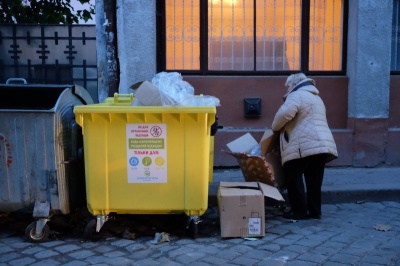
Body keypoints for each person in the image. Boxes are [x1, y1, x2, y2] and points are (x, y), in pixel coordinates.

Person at [271, 73, 338, 220]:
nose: (287, 89)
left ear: (294, 84)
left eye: (288, 86)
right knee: (314, 180)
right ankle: (315, 211)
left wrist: (274, 128)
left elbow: (284, 114)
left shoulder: (297, 95)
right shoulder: (316, 97)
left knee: (292, 175)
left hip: (304, 144)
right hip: (321, 145)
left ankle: (299, 210)